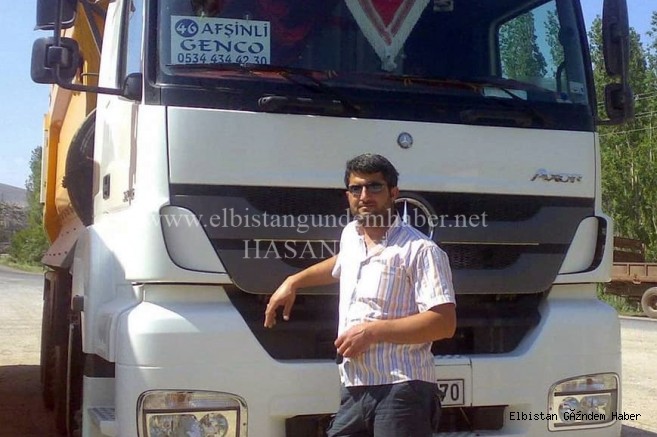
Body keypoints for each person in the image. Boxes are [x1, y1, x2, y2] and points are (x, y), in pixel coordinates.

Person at [264, 153, 456, 436]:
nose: (364, 196)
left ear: (393, 193)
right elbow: (341, 263)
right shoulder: (351, 236)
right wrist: (294, 281)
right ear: (348, 196)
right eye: (356, 188)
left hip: (402, 389)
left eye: (374, 186)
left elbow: (443, 323)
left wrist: (371, 332)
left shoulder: (420, 250)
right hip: (354, 388)